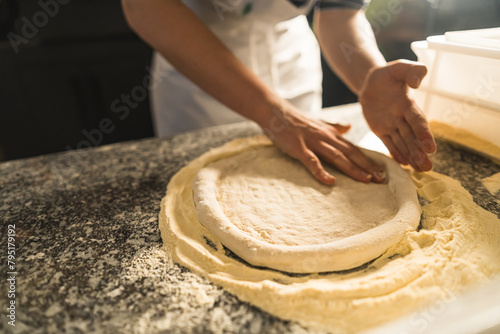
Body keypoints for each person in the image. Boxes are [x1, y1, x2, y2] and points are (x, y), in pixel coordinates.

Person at [121, 0, 436, 185]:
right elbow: (145, 7)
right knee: (204, 186)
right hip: (195, 58)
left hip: (289, 54)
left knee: (303, 177)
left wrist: (368, 74)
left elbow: (339, 12)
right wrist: (273, 112)